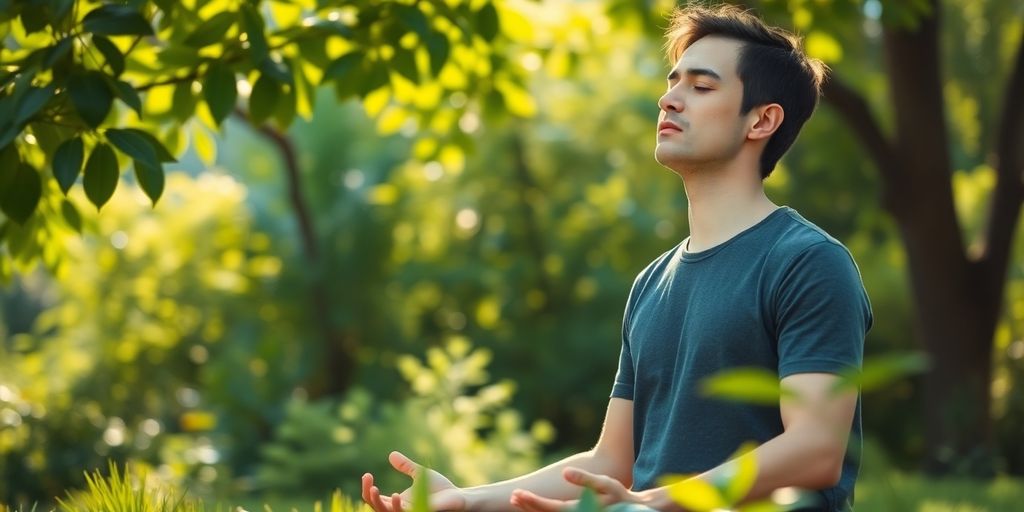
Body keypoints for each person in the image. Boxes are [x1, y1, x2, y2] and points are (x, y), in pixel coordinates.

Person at [361, 4, 872, 512]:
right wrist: (469, 500)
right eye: (673, 82)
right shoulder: (652, 283)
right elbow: (612, 463)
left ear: (762, 119)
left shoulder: (807, 263)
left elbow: (815, 451)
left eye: (701, 86)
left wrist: (647, 504)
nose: (668, 99)